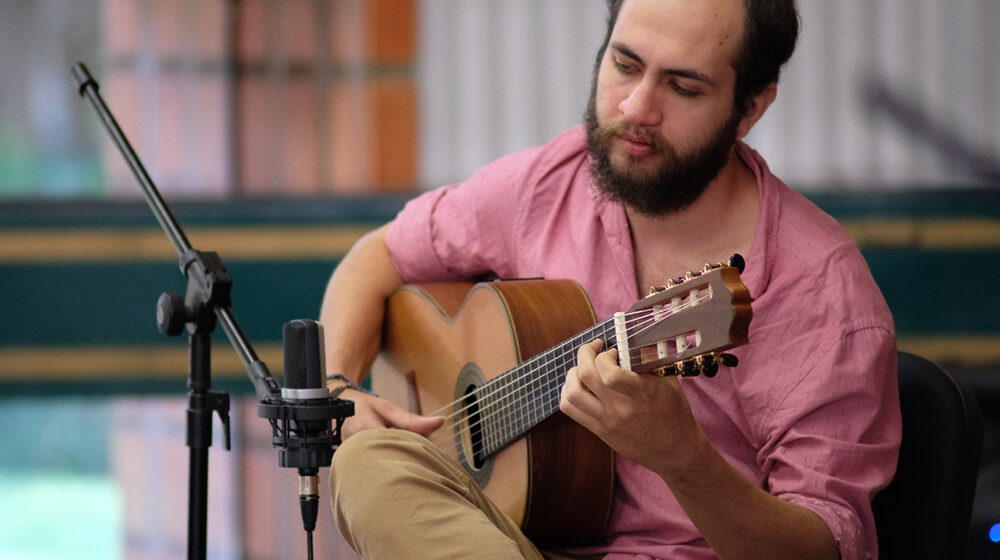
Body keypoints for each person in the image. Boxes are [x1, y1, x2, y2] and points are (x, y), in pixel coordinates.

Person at [319, 0, 901, 558]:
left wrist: (685, 458)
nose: (636, 108)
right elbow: (376, 258)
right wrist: (339, 387)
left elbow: (821, 551)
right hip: (517, 545)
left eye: (683, 87)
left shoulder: (822, 293)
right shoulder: (552, 182)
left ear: (750, 108)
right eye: (624, 65)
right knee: (366, 463)